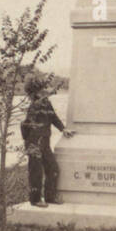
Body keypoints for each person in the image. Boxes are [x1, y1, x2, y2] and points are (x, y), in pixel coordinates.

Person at [20, 75, 75, 208]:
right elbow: (26, 125)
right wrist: (30, 143)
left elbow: (53, 117)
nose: (46, 90)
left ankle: (49, 197)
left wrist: (63, 129)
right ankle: (35, 200)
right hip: (35, 143)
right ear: (36, 91)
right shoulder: (35, 106)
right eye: (42, 89)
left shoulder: (46, 103)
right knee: (36, 173)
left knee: (53, 169)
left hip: (44, 142)